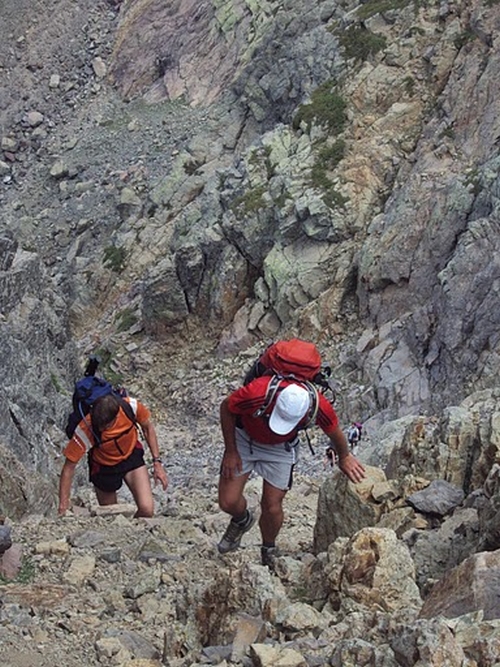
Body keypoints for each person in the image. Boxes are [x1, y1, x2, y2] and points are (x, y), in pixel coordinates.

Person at [217, 376, 365, 567]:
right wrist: (231, 450)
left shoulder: (317, 405)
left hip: (281, 447)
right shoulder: (258, 392)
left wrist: (344, 456)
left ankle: (268, 549)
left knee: (272, 505)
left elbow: (334, 431)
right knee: (228, 501)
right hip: (245, 438)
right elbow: (227, 407)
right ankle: (241, 520)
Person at [58, 394, 168, 517]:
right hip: (103, 468)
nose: (101, 429)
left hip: (131, 457)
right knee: (111, 517)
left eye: (106, 426)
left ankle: (136, 532)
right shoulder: (86, 428)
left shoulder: (130, 407)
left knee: (147, 509)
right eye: (99, 425)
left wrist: (157, 463)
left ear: (116, 416)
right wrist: (63, 506)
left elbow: (148, 428)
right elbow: (69, 467)